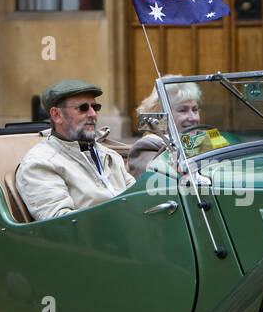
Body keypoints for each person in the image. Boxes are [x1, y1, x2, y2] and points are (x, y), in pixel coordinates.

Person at [17, 79, 134, 221]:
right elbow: (60, 223)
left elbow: (137, 199)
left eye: (95, 107)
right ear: (56, 115)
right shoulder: (40, 163)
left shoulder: (108, 155)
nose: (93, 114)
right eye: (83, 108)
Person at [128, 79, 210, 178]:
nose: (193, 118)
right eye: (183, 110)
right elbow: (160, 183)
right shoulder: (147, 147)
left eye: (195, 110)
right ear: (162, 116)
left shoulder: (206, 139)